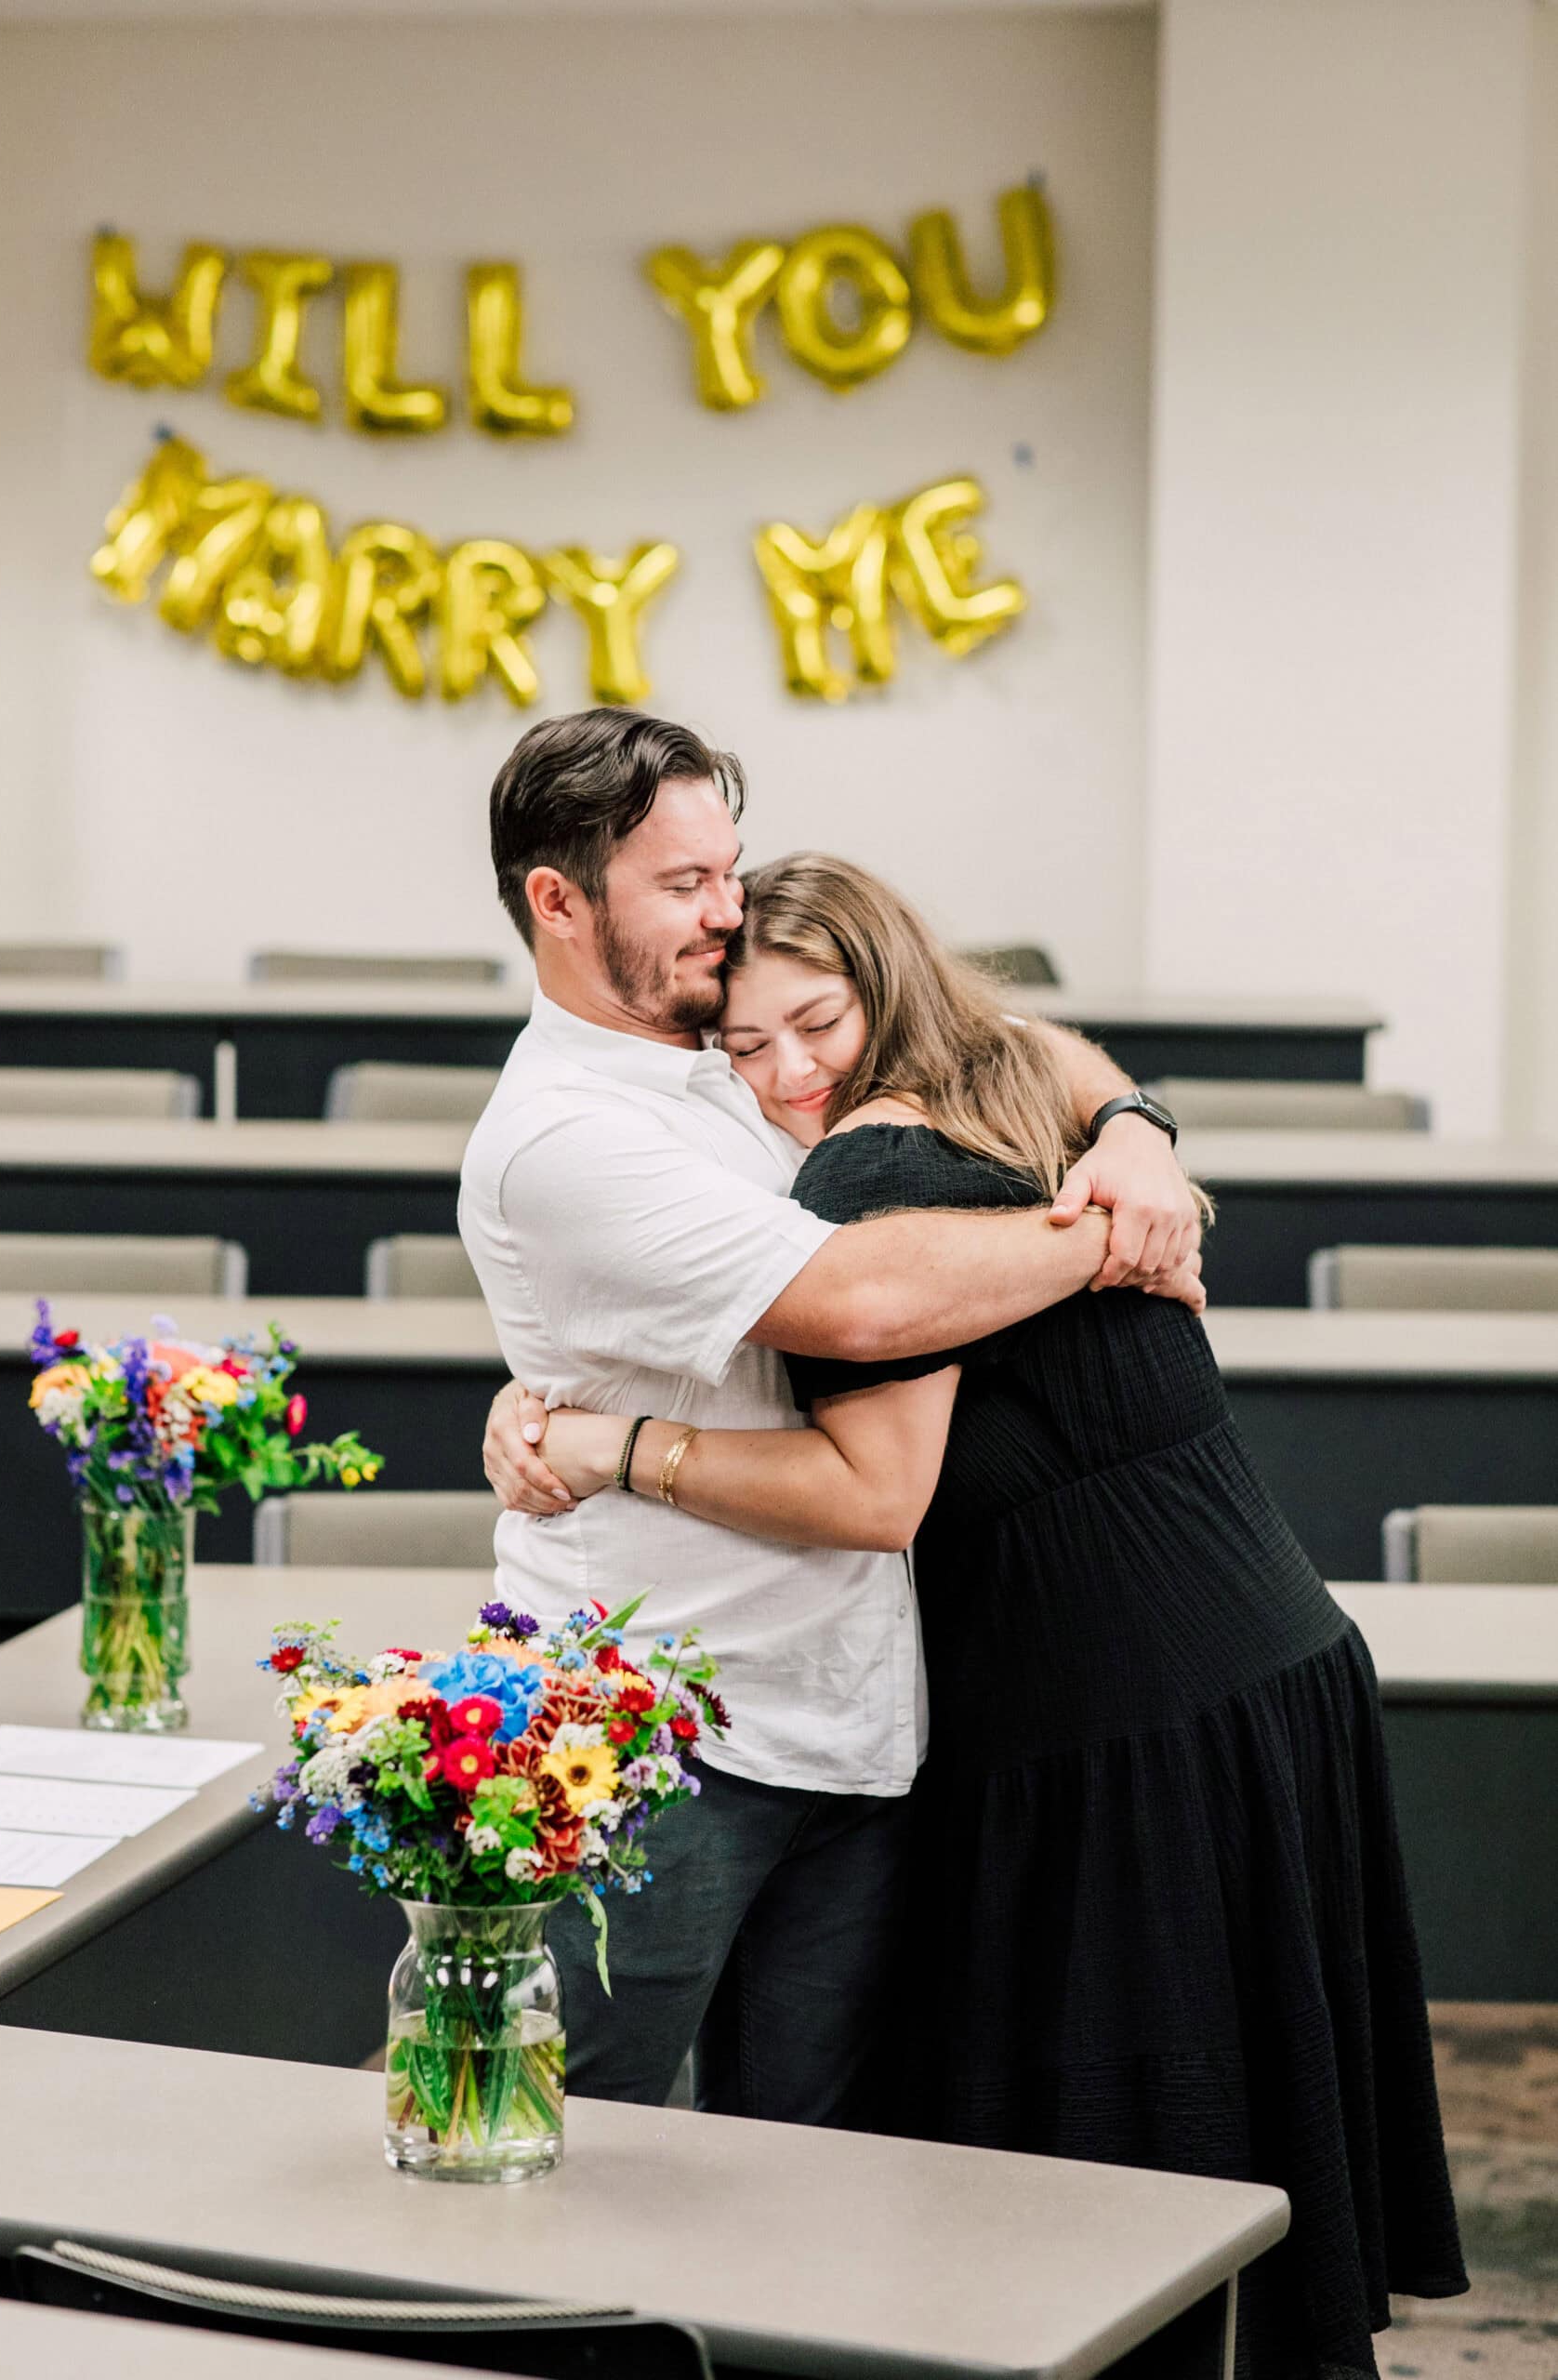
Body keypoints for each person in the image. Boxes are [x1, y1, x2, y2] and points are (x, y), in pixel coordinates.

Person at [495, 851, 1467, 2380]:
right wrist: (1140, 1128)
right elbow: (1065, 1051)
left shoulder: (869, 1173)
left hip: (1123, 1714)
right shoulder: (1022, 1082)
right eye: (743, 1048)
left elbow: (873, 1489)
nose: (787, 1074)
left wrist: (609, 1446)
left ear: (886, 988)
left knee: (1107, 2188)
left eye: (816, 1023)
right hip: (1262, 1670)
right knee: (1221, 2173)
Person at [460, 707, 1205, 2131]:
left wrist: (1137, 1137)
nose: (725, 914)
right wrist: (1118, 1236)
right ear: (557, 903)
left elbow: (1024, 1043)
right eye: (684, 887)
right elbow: (859, 1303)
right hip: (661, 1738)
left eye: (728, 873)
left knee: (807, 2166)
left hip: (852, 1716)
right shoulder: (569, 1134)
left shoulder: (727, 1047)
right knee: (577, 2129)